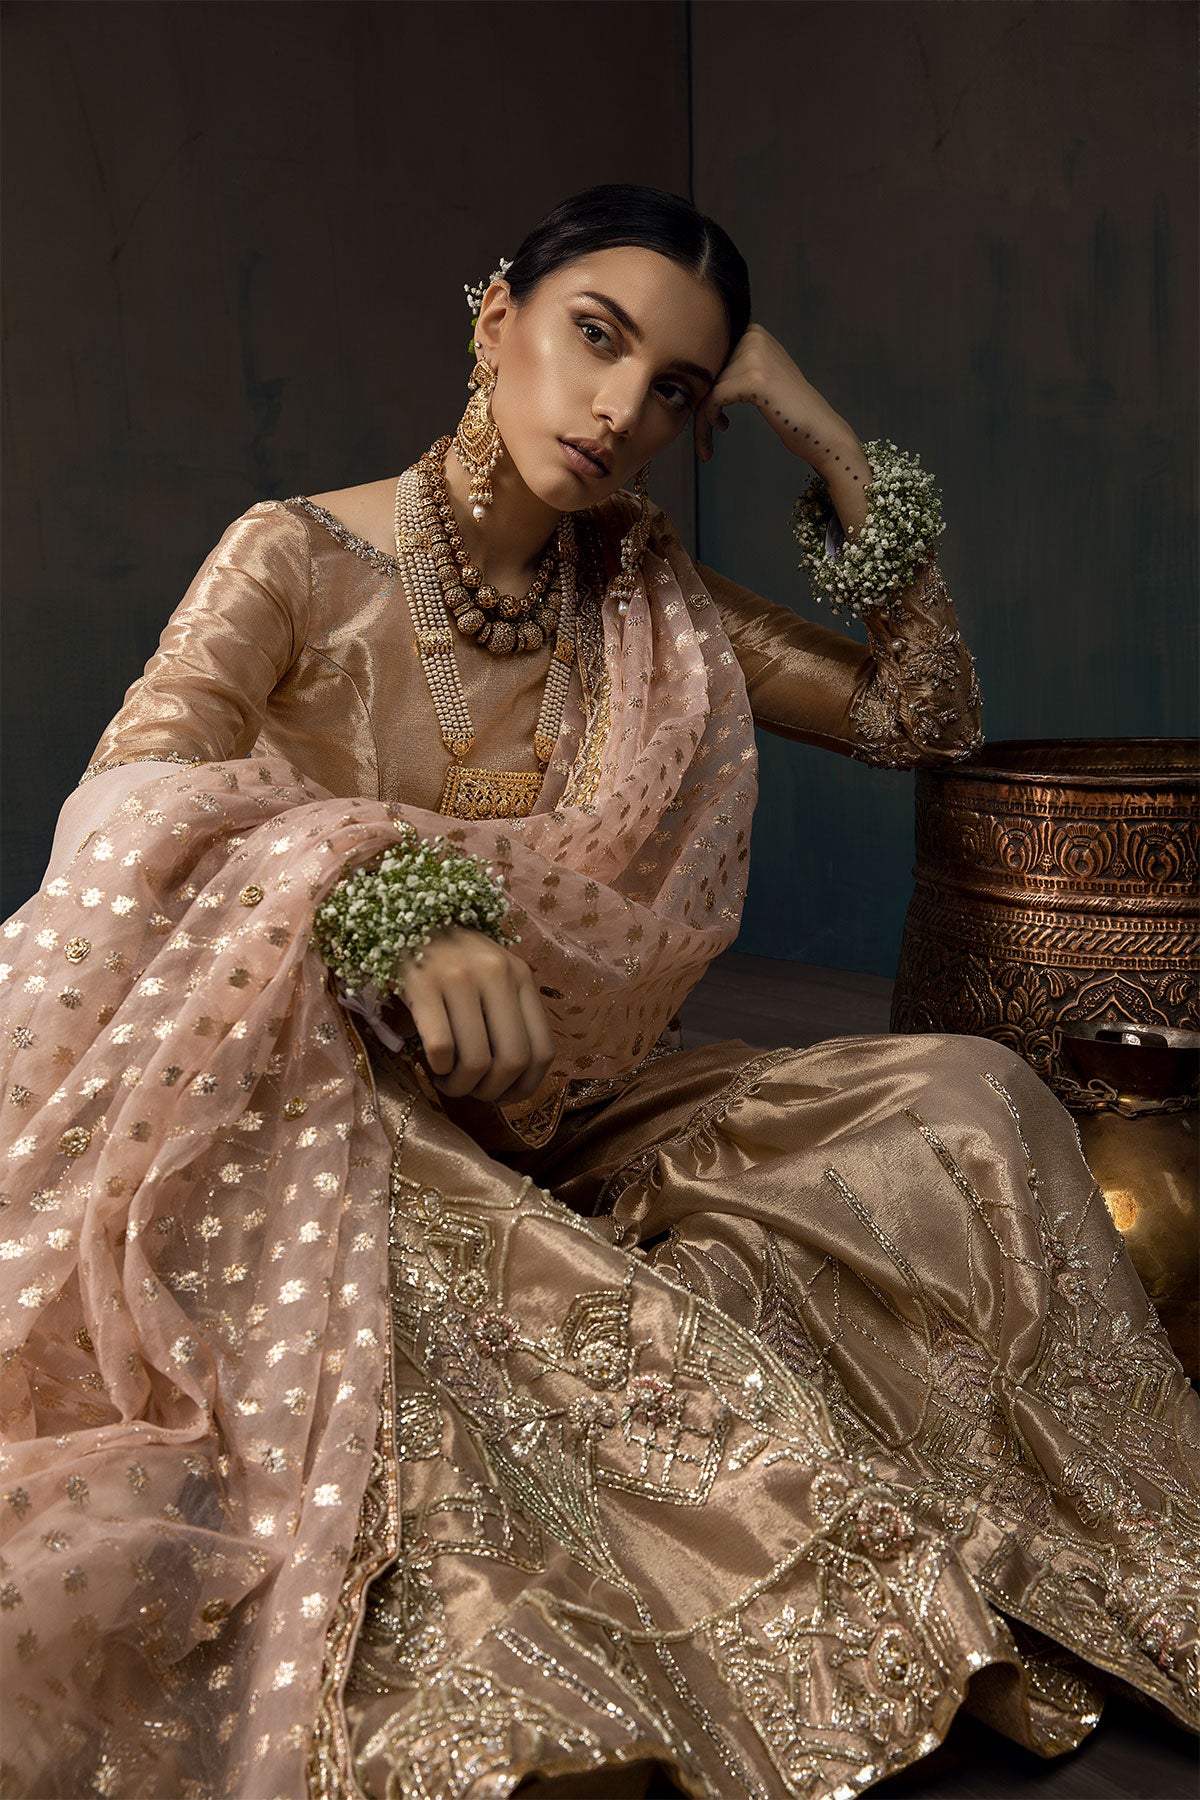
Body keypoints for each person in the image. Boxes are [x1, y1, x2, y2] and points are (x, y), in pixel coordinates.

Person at [1, 183, 1195, 1800]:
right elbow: (125, 805)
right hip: (334, 1123)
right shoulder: (294, 557)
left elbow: (923, 715)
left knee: (968, 1100)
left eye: (681, 391)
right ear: (495, 321)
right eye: (597, 338)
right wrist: (383, 898)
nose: (625, 408)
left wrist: (831, 442)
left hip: (571, 1108)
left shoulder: (651, 607)